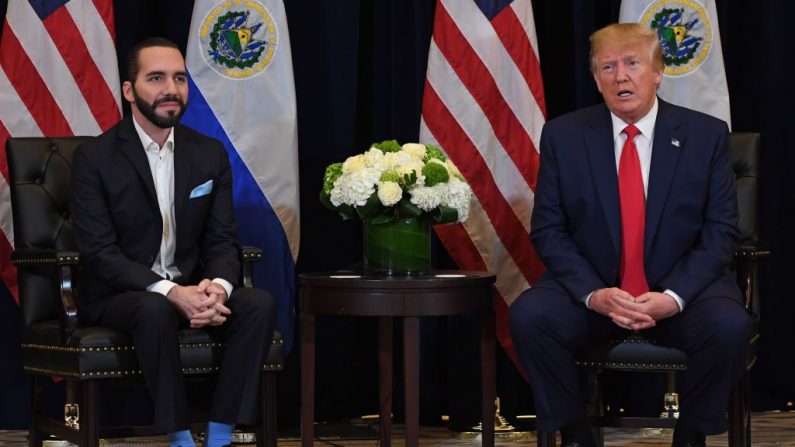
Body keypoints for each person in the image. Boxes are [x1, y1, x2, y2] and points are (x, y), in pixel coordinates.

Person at [509, 23, 751, 447]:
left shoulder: (706, 135)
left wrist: (673, 297)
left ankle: (692, 433)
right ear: (597, 79)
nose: (621, 76)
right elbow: (548, 229)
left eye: (632, 64)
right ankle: (575, 432)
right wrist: (593, 294)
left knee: (729, 325)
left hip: (681, 291)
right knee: (530, 318)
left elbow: (721, 231)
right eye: (608, 66)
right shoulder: (564, 136)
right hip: (596, 292)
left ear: (657, 72)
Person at [70, 37, 276, 447]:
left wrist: (217, 288)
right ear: (129, 90)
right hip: (122, 294)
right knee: (154, 308)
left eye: (179, 78)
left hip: (190, 284)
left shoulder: (209, 154)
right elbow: (99, 252)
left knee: (258, 303)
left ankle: (220, 434)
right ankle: (179, 435)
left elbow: (221, 239)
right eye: (156, 78)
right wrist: (170, 291)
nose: (171, 89)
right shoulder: (95, 158)